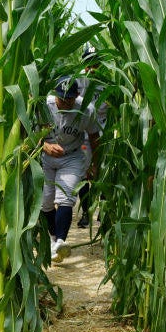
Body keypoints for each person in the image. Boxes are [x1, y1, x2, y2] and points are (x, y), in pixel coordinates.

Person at [40, 76, 101, 262]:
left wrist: (95, 163)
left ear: (77, 95)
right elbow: (28, 132)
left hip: (72, 156)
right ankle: (53, 238)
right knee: (45, 202)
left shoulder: (86, 109)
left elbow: (93, 137)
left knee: (66, 196)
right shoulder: (44, 106)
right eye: (62, 98)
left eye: (70, 99)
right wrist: (44, 145)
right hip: (47, 157)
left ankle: (60, 241)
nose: (66, 102)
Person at [76, 45, 108, 228]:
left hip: (102, 134)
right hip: (83, 136)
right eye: (88, 63)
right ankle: (86, 213)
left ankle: (103, 212)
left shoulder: (106, 81)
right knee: (83, 173)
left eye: (95, 64)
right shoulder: (77, 80)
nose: (91, 69)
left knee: (102, 173)